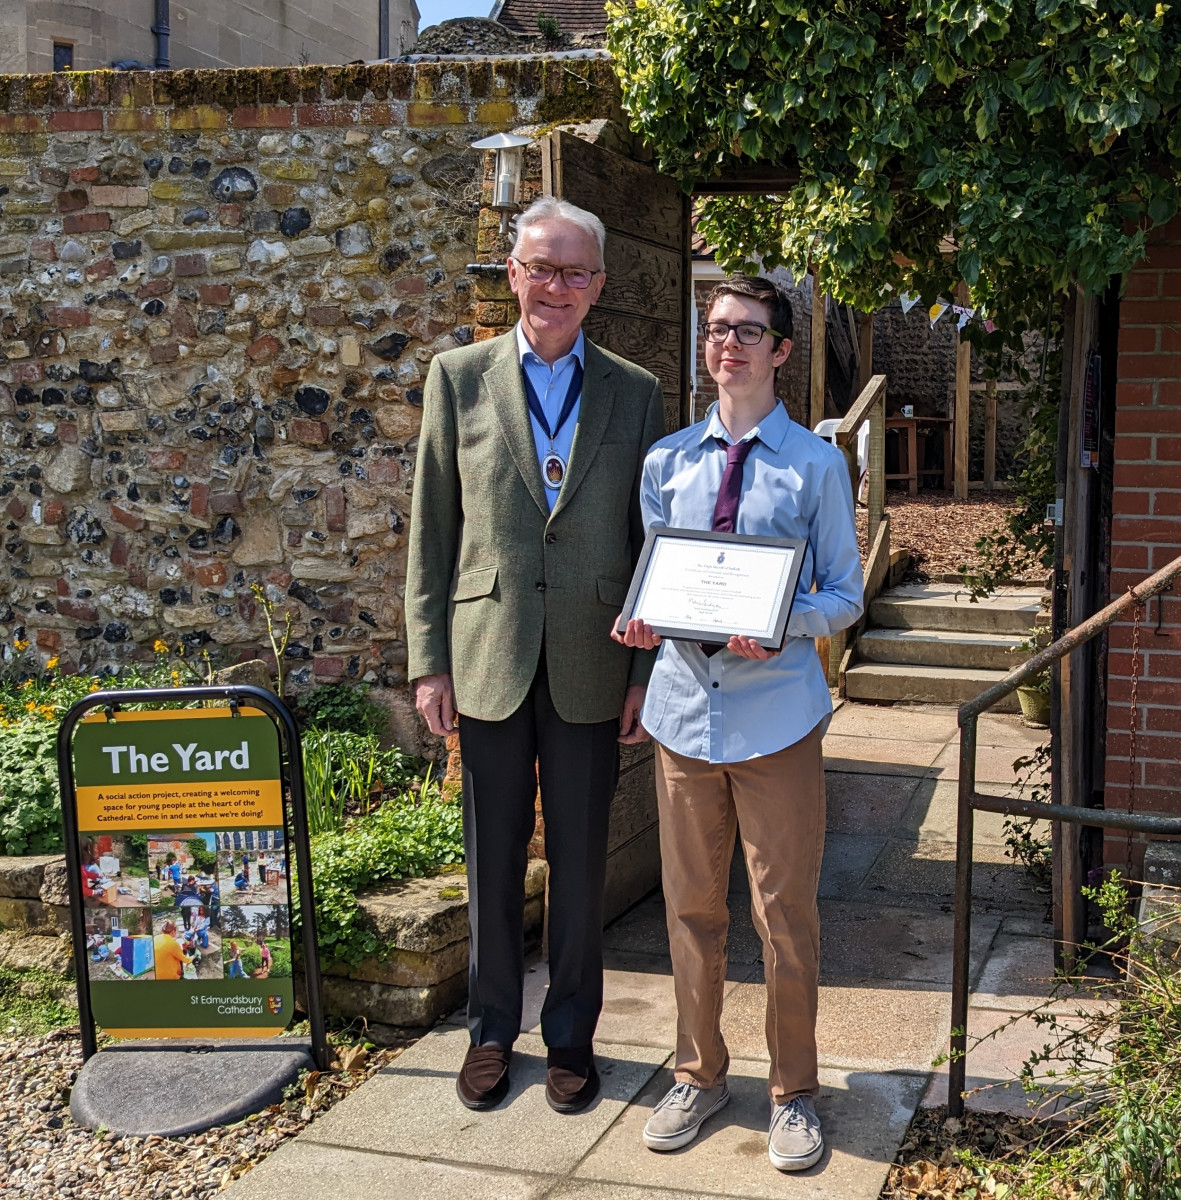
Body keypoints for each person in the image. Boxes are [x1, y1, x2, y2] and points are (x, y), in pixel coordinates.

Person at [407, 195, 665, 1115]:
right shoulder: (458, 376)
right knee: (491, 853)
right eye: (539, 268)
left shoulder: (635, 392)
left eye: (574, 272)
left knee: (584, 860)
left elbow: (649, 544)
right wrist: (427, 659)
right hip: (487, 651)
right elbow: (432, 527)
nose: (554, 286)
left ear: (598, 286)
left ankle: (570, 1037)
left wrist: (644, 672)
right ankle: (487, 1031)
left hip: (595, 657)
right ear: (511, 273)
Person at [615, 276, 863, 1172]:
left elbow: (844, 594)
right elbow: (657, 585)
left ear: (781, 350)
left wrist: (779, 625)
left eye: (748, 331)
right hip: (685, 717)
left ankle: (793, 1092)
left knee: (783, 914)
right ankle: (699, 1073)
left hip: (777, 724)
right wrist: (641, 633)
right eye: (716, 330)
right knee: (688, 911)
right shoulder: (666, 463)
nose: (729, 345)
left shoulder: (815, 466)